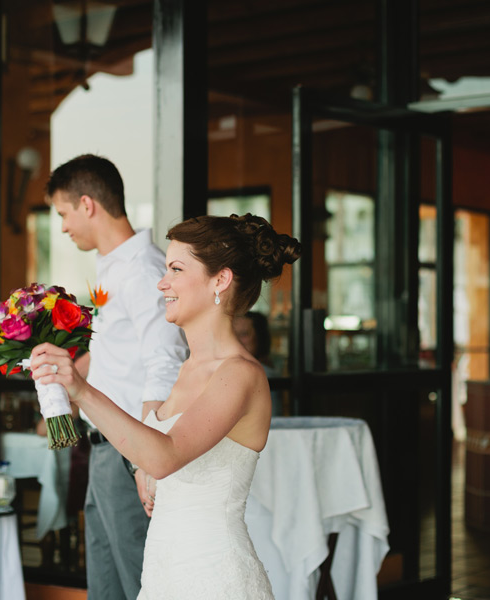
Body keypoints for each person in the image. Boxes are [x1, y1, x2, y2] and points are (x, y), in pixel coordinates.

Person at [30, 213, 301, 599]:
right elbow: (159, 451)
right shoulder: (189, 368)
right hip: (164, 572)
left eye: (175, 269)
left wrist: (81, 390)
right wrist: (141, 464)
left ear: (220, 280)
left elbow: (167, 455)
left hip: (213, 577)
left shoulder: (240, 374)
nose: (162, 283)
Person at [45, 154, 188, 600]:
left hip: (130, 451)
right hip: (106, 448)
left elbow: (166, 359)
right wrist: (57, 380)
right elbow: (113, 354)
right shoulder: (114, 270)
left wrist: (148, 456)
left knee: (138, 583)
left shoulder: (144, 270)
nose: (64, 227)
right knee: (107, 587)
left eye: (64, 213)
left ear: (87, 204)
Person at [233, 311, 282, 415]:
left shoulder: (262, 374)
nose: (237, 340)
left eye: (243, 334)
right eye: (233, 335)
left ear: (260, 337)